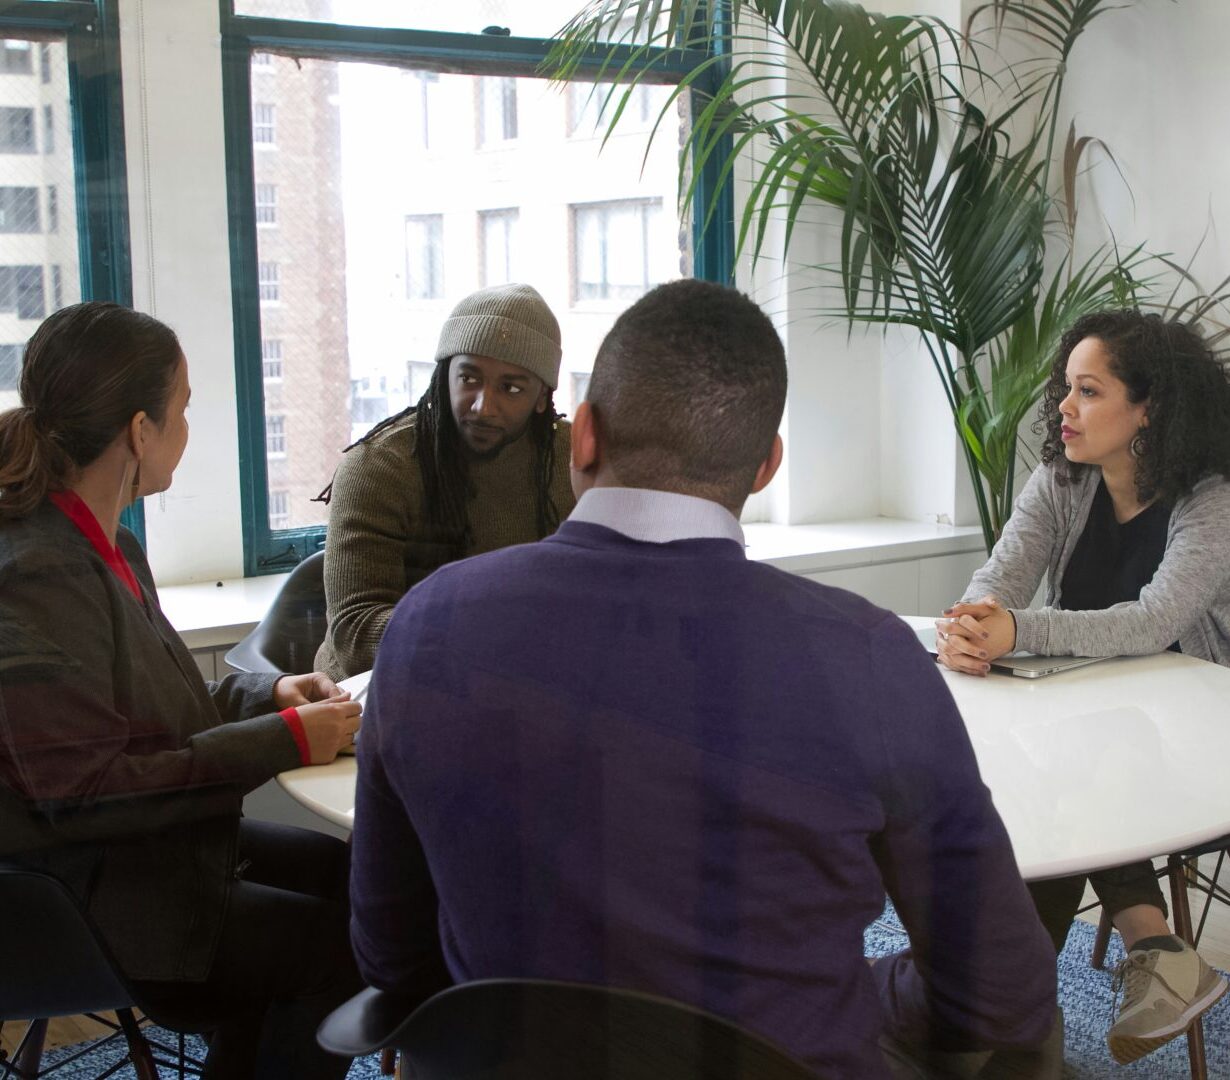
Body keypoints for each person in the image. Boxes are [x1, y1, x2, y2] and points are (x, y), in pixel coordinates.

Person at [349, 279, 1059, 1079]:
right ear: (765, 468)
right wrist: (852, 994)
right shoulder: (866, 654)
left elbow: (390, 955)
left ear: (582, 436)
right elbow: (1002, 992)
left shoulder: (426, 626)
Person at [0, 302, 363, 1080]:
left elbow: (154, 714)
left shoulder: (110, 544)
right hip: (85, 896)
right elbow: (87, 791)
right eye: (183, 409)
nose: (187, 429)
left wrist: (274, 700)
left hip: (142, 853)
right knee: (337, 954)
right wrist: (288, 742)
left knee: (352, 880)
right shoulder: (39, 570)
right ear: (139, 431)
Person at [935, 310, 1230, 1064]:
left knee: (1059, 767)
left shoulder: (1212, 498)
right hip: (1103, 727)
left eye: (1088, 391)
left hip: (1206, 733)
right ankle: (1146, 947)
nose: (1063, 408)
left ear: (1149, 409)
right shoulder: (1060, 480)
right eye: (1066, 388)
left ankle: (1006, 1012)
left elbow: (1154, 619)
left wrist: (1019, 629)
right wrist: (971, 624)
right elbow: (998, 581)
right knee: (1058, 763)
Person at [314, 282, 575, 680]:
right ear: (444, 374)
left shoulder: (574, 460)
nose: (483, 406)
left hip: (526, 686)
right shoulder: (380, 466)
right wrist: (491, 632)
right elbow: (356, 637)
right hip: (379, 698)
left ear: (542, 396)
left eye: (511, 387)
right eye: (469, 378)